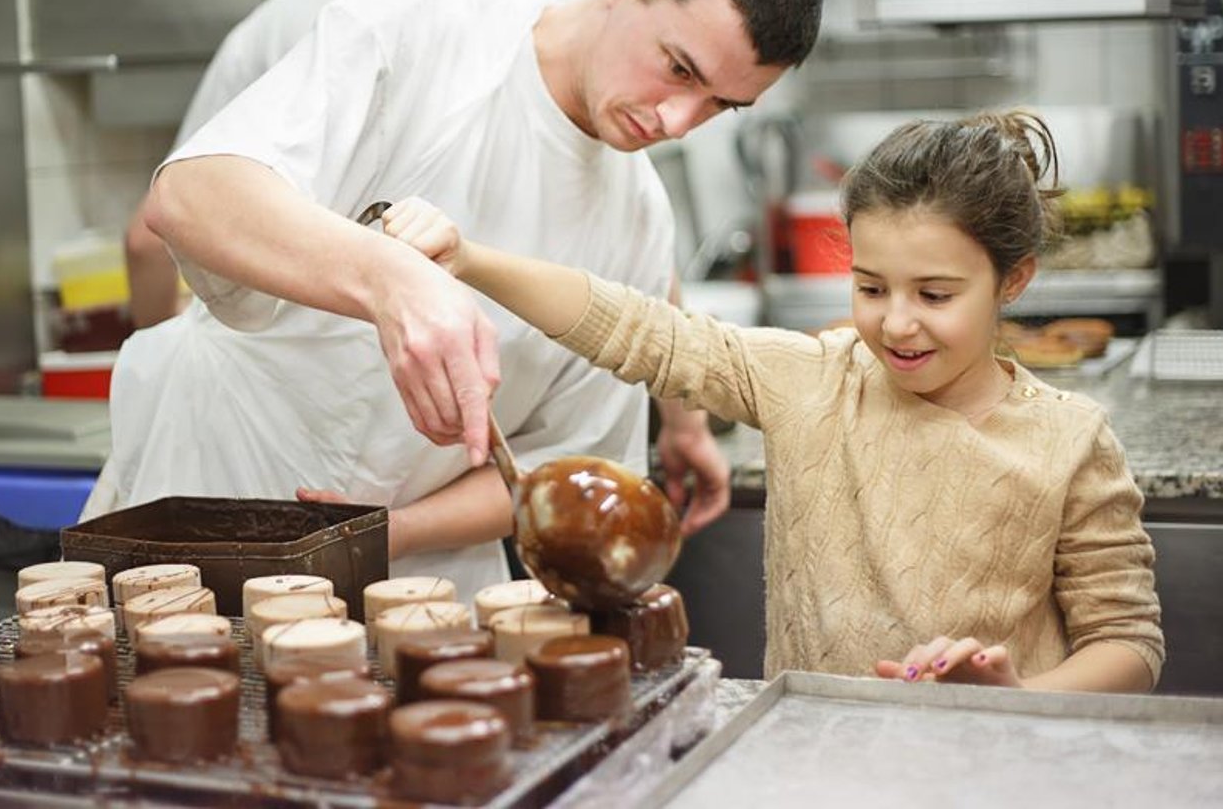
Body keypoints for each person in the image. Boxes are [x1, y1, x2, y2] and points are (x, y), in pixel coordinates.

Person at [82, 0, 827, 605]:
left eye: (718, 106)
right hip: (210, 494)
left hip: (408, 564)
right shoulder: (427, 28)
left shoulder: (638, 219)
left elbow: (559, 461)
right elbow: (188, 198)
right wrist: (389, 281)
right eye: (678, 69)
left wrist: (385, 534)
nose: (675, 120)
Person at [384, 110, 1165, 691]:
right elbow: (641, 330)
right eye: (869, 287)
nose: (895, 321)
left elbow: (1128, 642)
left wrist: (1018, 700)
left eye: (935, 293)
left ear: (1014, 280)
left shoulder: (1070, 440)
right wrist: (469, 257)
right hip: (809, 767)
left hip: (993, 778)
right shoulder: (810, 380)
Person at [126, 0, 595, 330]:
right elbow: (628, 216)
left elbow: (150, 239)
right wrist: (679, 410)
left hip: (312, 396)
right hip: (511, 364)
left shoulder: (278, 19)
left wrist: (158, 338)